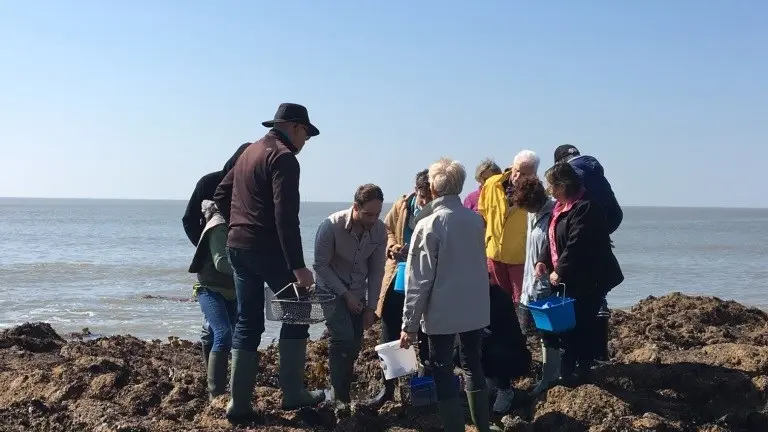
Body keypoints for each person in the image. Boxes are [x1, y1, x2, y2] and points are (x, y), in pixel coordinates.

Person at [213, 103, 322, 422]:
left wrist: (239, 224)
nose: (305, 142)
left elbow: (221, 194)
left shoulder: (249, 151)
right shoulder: (284, 157)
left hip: (238, 247)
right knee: (300, 311)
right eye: (306, 135)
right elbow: (286, 217)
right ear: (295, 127)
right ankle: (293, 393)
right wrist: (299, 266)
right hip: (268, 250)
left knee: (248, 322)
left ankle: (239, 405)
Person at [400, 158, 501, 432]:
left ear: (433, 188)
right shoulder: (475, 220)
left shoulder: (428, 224)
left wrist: (409, 324)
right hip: (474, 307)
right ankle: (482, 426)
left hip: (441, 309)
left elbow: (419, 279)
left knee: (442, 368)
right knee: (473, 364)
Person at [535, 163, 624, 385]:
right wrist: (543, 260)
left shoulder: (586, 208)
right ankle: (568, 370)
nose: (550, 191)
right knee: (569, 326)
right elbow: (552, 237)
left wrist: (560, 270)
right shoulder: (560, 207)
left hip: (590, 277)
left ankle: (579, 371)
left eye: (552, 187)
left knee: (582, 323)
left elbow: (577, 243)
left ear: (564, 185)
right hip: (570, 278)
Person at [313, 184, 388, 403]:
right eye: (368, 214)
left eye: (377, 214)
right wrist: (345, 295)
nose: (373, 220)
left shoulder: (379, 230)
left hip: (358, 290)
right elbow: (320, 265)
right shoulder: (330, 226)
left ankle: (341, 390)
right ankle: (339, 398)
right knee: (342, 338)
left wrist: (371, 308)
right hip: (330, 290)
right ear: (356, 207)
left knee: (355, 343)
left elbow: (377, 271)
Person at [182, 142, 249, 374]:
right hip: (214, 256)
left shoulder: (252, 187)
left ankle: (217, 378)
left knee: (226, 326)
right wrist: (206, 248)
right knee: (217, 329)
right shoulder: (209, 182)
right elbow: (189, 219)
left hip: (235, 260)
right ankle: (214, 382)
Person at [367, 170, 432, 407]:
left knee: (425, 333)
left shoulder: (437, 211)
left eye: (430, 197)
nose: (425, 202)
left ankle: (423, 385)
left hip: (425, 279)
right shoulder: (402, 206)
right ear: (416, 190)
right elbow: (386, 229)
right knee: (389, 332)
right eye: (423, 197)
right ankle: (388, 389)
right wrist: (393, 247)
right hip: (398, 276)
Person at [554, 144, 622, 362]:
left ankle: (582, 361)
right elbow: (615, 213)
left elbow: (574, 235)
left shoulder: (573, 176)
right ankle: (599, 355)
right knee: (597, 300)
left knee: (582, 307)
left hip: (583, 250)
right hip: (599, 242)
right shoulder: (595, 171)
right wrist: (601, 233)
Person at [509, 176, 560, 396]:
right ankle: (545, 375)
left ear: (537, 200)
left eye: (527, 206)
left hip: (547, 286)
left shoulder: (553, 214)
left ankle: (550, 378)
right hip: (529, 284)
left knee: (549, 334)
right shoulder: (532, 215)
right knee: (529, 332)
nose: (526, 211)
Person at [188, 200, 238, 400]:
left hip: (232, 290)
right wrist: (249, 272)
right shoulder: (218, 225)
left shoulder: (236, 223)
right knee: (223, 333)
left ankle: (217, 389)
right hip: (210, 289)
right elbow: (221, 262)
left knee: (212, 334)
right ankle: (216, 393)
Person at [478, 150, 539, 304]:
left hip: (519, 256)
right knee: (498, 301)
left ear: (533, 175)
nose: (518, 176)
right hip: (494, 254)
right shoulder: (492, 184)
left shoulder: (536, 193)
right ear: (512, 166)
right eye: (516, 170)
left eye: (524, 174)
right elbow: (483, 211)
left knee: (521, 302)